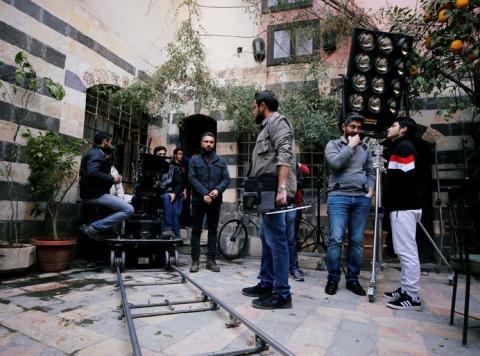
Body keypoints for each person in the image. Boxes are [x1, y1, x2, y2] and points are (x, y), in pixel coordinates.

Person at [241, 91, 296, 309]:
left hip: (275, 190)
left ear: (262, 105)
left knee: (277, 240)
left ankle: (282, 294)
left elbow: (285, 154)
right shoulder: (266, 126)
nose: (253, 110)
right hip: (265, 190)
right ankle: (266, 283)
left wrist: (282, 189)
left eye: (254, 106)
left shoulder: (278, 122)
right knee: (266, 235)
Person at [324, 113, 374, 296]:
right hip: (339, 197)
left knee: (357, 241)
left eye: (359, 128)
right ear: (343, 127)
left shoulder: (366, 148)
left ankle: (353, 280)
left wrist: (371, 189)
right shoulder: (333, 145)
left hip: (361, 199)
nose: (356, 131)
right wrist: (351, 146)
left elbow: (370, 171)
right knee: (336, 239)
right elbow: (336, 164)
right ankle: (333, 279)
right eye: (352, 127)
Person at [383, 117, 423, 311]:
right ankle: (406, 289)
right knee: (403, 250)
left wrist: (392, 197)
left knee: (407, 251)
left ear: (403, 129)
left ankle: (412, 296)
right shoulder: (399, 147)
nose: (389, 128)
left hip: (404, 207)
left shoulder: (404, 147)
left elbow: (407, 179)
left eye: (393, 125)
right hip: (401, 207)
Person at [79, 131, 134, 240]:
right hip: (95, 195)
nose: (111, 144)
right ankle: (93, 227)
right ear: (104, 141)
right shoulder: (96, 154)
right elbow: (92, 172)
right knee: (129, 209)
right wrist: (112, 178)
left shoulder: (95, 153)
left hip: (95, 193)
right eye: (110, 142)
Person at [188, 132, 230, 273]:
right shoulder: (194, 161)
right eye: (206, 141)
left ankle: (211, 261)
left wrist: (218, 190)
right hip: (199, 201)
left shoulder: (221, 161)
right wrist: (204, 194)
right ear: (201, 143)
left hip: (215, 201)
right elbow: (192, 178)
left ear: (214, 144)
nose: (208, 144)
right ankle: (195, 261)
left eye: (211, 142)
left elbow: (226, 179)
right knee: (196, 231)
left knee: (213, 230)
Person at [154, 146, 184, 239]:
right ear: (155, 155)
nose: (162, 156)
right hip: (154, 195)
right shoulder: (151, 167)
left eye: (164, 154)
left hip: (169, 195)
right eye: (160, 154)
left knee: (169, 200)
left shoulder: (172, 168)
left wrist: (174, 193)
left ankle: (169, 229)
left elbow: (180, 183)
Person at [289, 162, 310, 282]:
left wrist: (288, 184)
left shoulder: (295, 164)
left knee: (291, 239)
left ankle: (293, 267)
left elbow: (303, 180)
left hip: (295, 205)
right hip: (275, 206)